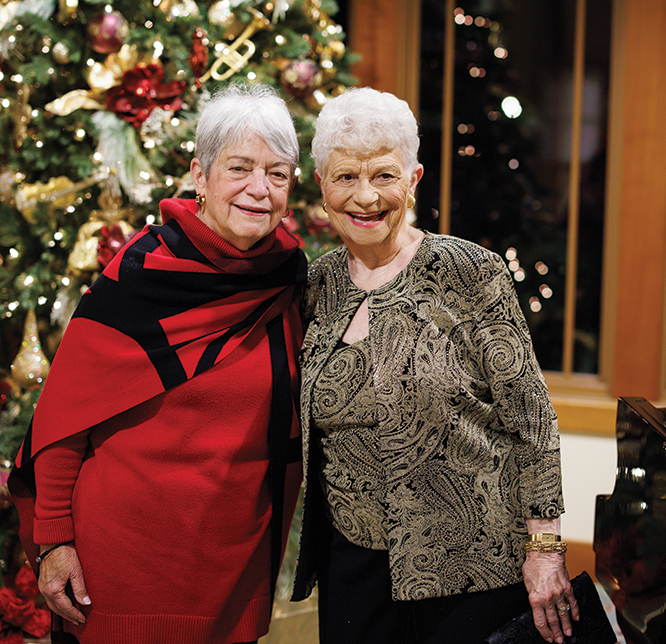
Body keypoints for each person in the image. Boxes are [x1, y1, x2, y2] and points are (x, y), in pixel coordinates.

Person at [9, 83, 306, 644]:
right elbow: (64, 419)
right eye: (239, 167)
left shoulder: (289, 280)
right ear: (200, 175)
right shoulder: (143, 274)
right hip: (120, 575)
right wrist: (52, 541)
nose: (259, 190)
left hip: (233, 572)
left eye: (278, 174)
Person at [291, 87, 580, 644]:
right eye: (346, 177)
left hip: (473, 565)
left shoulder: (470, 273)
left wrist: (545, 549)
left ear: (414, 178)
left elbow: (533, 419)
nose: (366, 197)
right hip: (352, 566)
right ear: (322, 185)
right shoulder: (317, 284)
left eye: (383, 175)